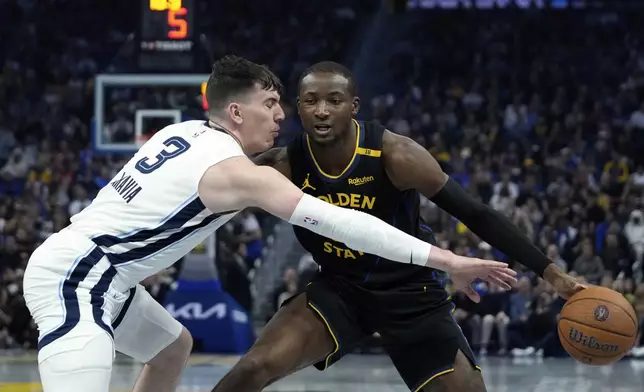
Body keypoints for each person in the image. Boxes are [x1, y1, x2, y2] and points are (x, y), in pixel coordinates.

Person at [22, 56, 514, 392]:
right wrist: (448, 259)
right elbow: (344, 224)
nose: (282, 115)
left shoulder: (180, 131)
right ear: (235, 112)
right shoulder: (235, 172)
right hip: (77, 280)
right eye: (270, 105)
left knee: (173, 346)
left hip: (104, 272)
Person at [213, 62, 585, 392]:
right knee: (254, 367)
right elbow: (206, 201)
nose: (322, 111)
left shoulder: (395, 154)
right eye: (311, 101)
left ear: (353, 106)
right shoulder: (284, 164)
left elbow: (475, 213)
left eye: (334, 101)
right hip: (340, 289)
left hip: (410, 291)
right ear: (299, 107)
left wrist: (551, 273)